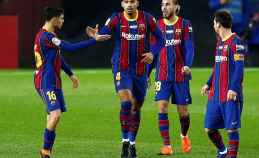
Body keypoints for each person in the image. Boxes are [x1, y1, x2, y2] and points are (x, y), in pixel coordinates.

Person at [34, 7, 110, 158]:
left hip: (53, 80)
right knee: (55, 115)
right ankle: (45, 151)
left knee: (52, 116)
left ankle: (47, 150)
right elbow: (70, 47)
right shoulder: (46, 37)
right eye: (61, 18)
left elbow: (57, 57)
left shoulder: (49, 35)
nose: (62, 21)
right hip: (45, 81)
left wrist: (70, 74)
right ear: (54, 19)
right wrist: (93, 40)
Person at [97, 0, 164, 157]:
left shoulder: (147, 19)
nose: (129, 4)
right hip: (121, 67)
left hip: (140, 69)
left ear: (137, 3)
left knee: (136, 107)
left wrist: (152, 53)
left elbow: (160, 39)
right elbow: (104, 32)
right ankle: (125, 142)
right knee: (126, 102)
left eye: (132, 1)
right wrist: (97, 36)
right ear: (122, 4)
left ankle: (132, 144)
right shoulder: (116, 19)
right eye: (126, 1)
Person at [148, 0, 195, 155]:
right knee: (161, 107)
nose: (164, 7)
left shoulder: (185, 24)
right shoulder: (157, 26)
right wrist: (147, 73)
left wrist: (188, 65)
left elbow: (189, 47)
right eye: (162, 4)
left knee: (183, 113)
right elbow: (152, 52)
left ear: (176, 7)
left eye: (168, 4)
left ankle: (184, 135)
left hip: (180, 75)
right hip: (162, 75)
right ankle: (167, 146)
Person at [201, 11, 246, 158]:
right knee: (209, 129)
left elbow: (239, 68)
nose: (213, 25)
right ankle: (222, 151)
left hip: (230, 95)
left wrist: (233, 88)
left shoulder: (236, 42)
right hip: (215, 94)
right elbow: (217, 67)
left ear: (218, 24)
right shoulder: (219, 42)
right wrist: (208, 84)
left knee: (231, 130)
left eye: (214, 22)